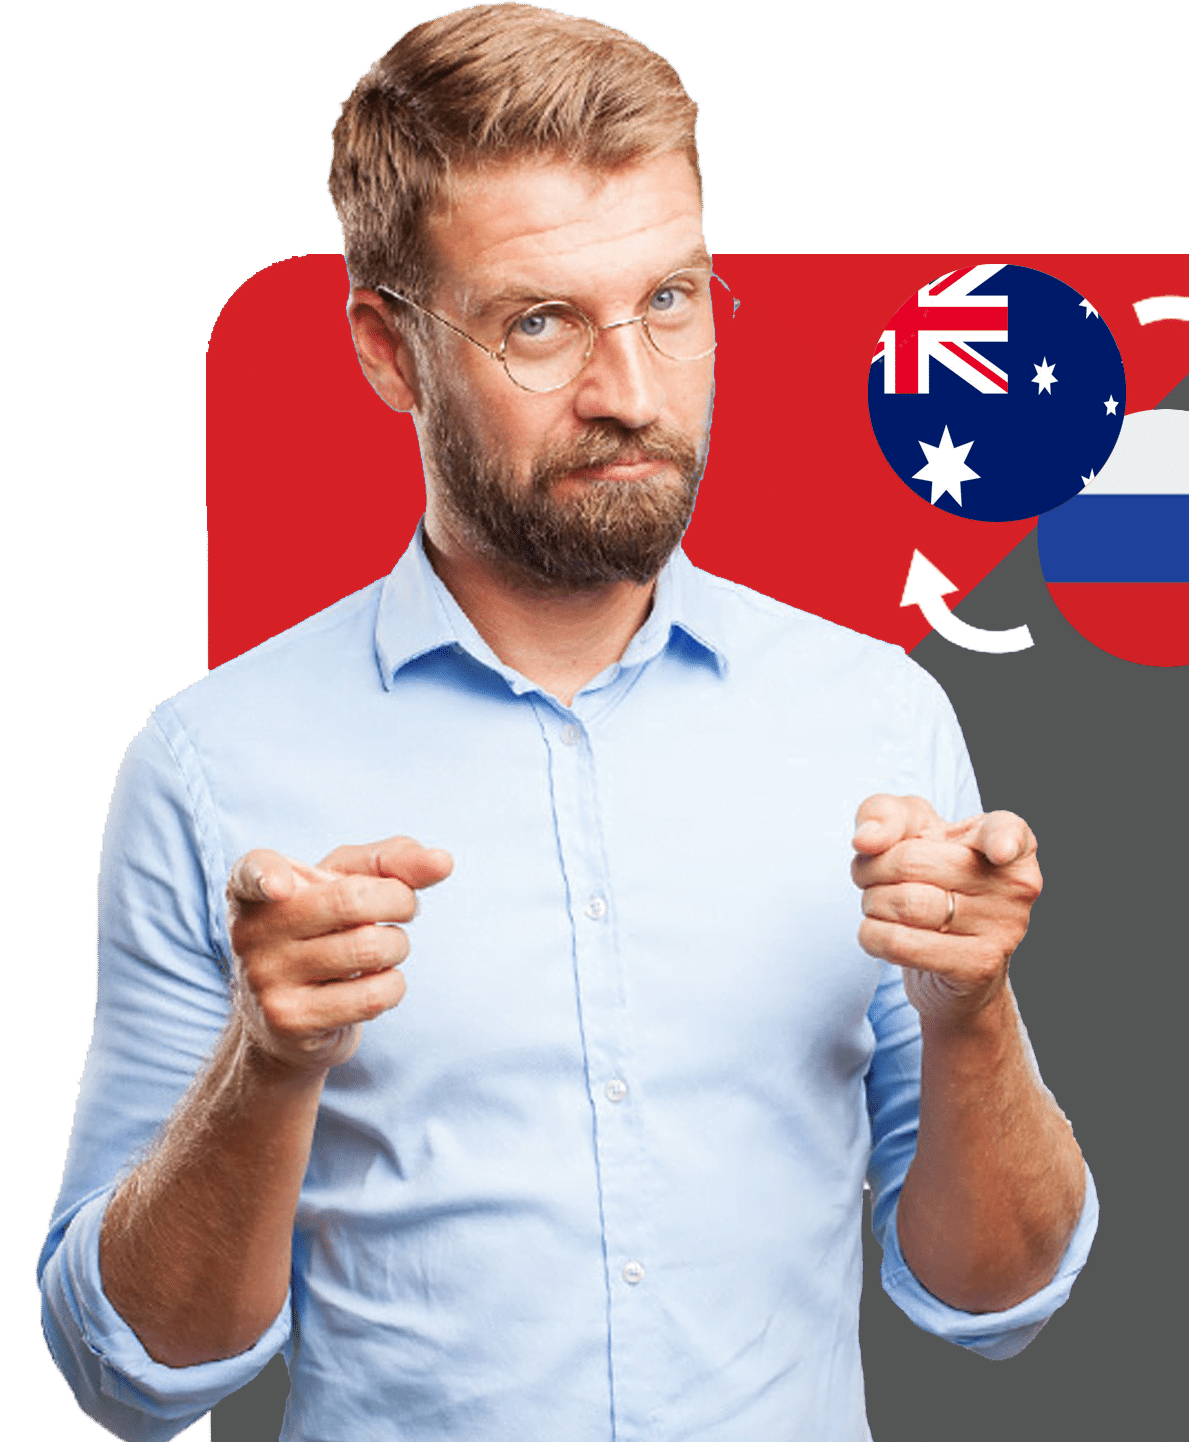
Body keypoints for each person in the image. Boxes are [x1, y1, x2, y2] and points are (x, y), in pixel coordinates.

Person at [37, 6, 1096, 1439]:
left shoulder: (877, 719)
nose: (632, 394)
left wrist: (967, 1013)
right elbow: (135, 1374)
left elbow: (994, 1300)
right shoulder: (210, 769)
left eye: (670, 299)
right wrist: (268, 1064)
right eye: (539, 322)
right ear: (387, 351)